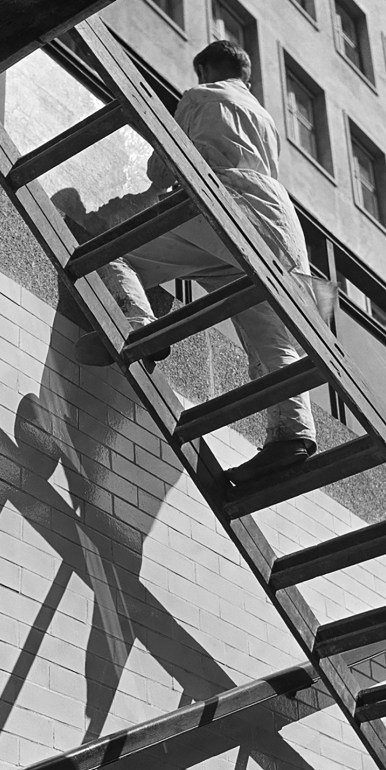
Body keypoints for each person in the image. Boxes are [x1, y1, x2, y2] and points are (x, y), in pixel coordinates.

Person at [75, 39, 320, 485]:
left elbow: (164, 169)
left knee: (113, 242)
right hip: (281, 228)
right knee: (272, 338)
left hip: (224, 206)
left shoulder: (200, 96)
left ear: (206, 68)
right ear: (245, 75)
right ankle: (292, 435)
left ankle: (137, 325)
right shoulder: (266, 122)